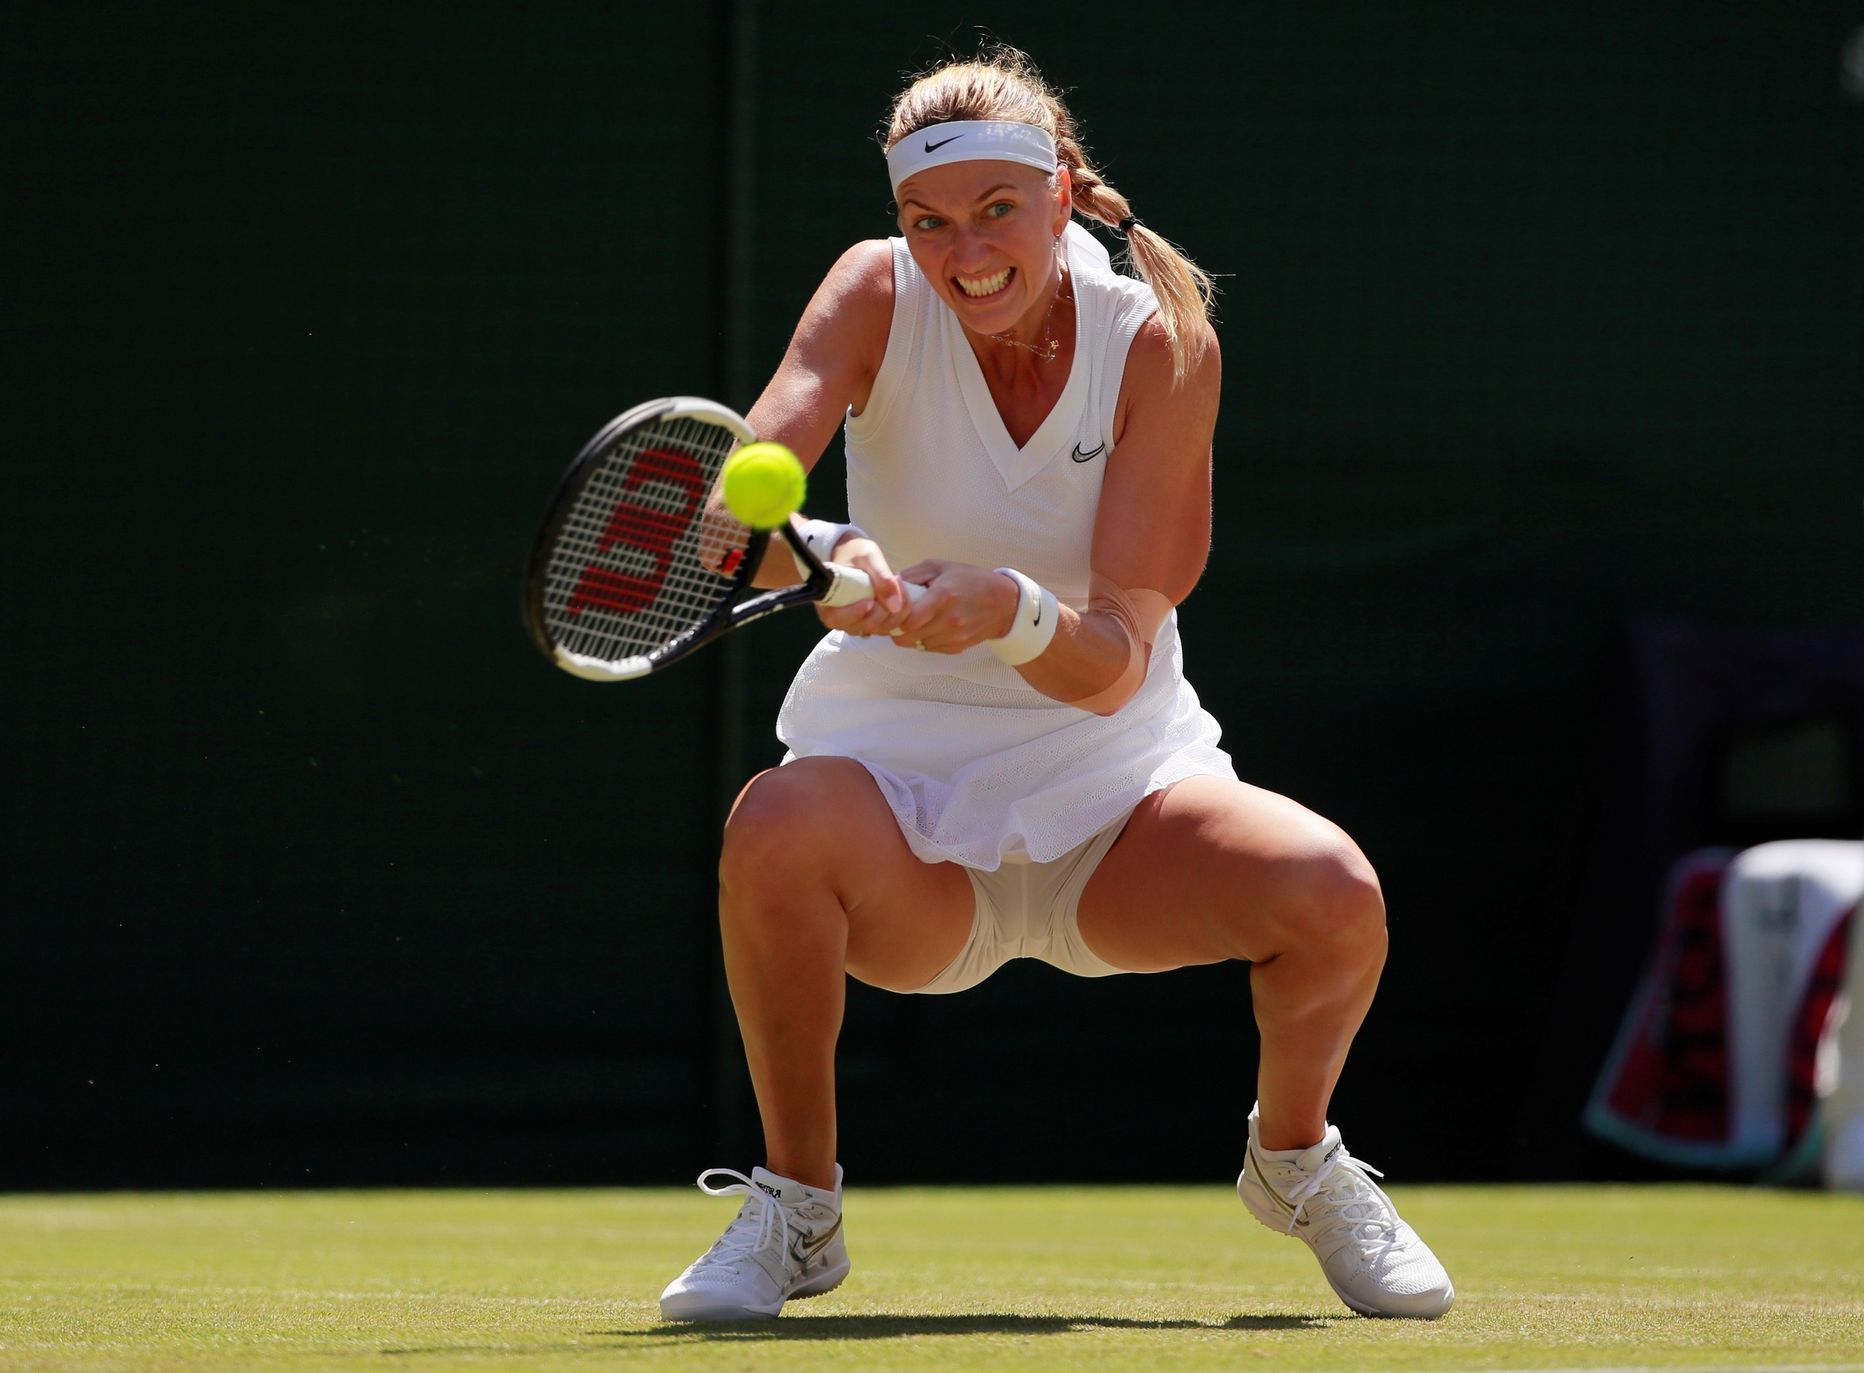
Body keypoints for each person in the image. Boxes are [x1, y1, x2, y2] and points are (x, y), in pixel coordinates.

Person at [659, 46, 1454, 1322]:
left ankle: (1294, 1157)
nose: (963, 251)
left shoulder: (1160, 343)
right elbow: (737, 511)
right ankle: (798, 1208)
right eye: (928, 221)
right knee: (771, 826)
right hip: (900, 810)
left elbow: (1111, 664)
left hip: (1113, 792)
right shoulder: (874, 291)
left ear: (1065, 192)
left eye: (993, 211)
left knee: (1331, 895)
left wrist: (1009, 609)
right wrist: (825, 553)